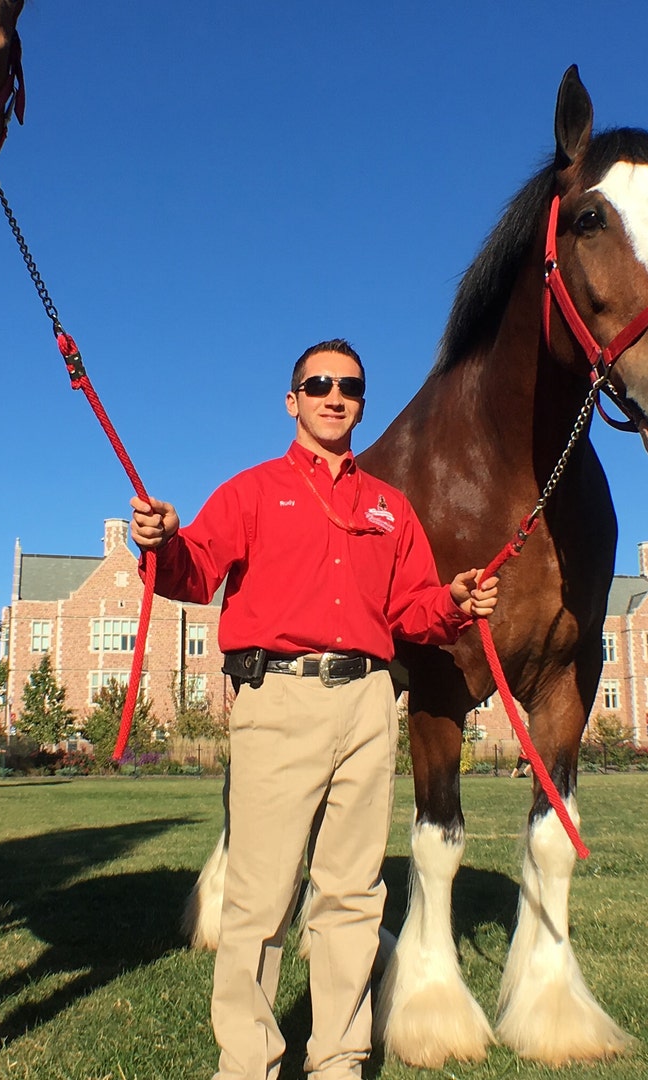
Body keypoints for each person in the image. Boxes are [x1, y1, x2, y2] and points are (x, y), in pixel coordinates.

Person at [130, 338, 498, 1080]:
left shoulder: (391, 509)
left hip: (368, 704)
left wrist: (455, 602)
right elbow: (194, 571)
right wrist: (161, 543)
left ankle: (338, 1060)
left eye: (351, 387)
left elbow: (414, 609)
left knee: (353, 899)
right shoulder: (251, 491)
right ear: (292, 400)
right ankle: (248, 1064)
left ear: (362, 403)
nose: (336, 396)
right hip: (278, 701)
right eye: (319, 384)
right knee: (261, 900)